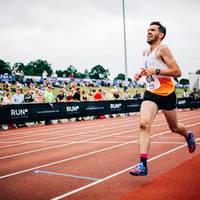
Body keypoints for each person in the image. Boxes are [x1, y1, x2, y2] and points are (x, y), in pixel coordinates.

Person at [129, 21, 196, 176]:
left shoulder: (163, 49)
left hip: (167, 94)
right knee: (144, 124)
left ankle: (188, 135)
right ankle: (143, 165)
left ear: (161, 35)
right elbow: (149, 70)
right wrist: (140, 74)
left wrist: (157, 70)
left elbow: (177, 72)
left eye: (152, 30)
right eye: (148, 29)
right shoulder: (145, 52)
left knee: (174, 128)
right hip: (151, 93)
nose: (148, 32)